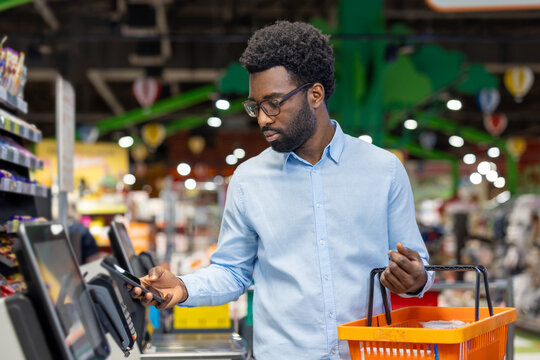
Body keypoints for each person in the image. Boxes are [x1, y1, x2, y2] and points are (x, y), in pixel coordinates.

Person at [129, 21, 434, 359]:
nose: (261, 118)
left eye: (273, 103)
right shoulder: (249, 180)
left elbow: (418, 264)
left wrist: (417, 279)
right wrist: (184, 286)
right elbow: (233, 271)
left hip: (370, 352)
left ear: (314, 94)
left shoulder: (384, 170)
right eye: (255, 106)